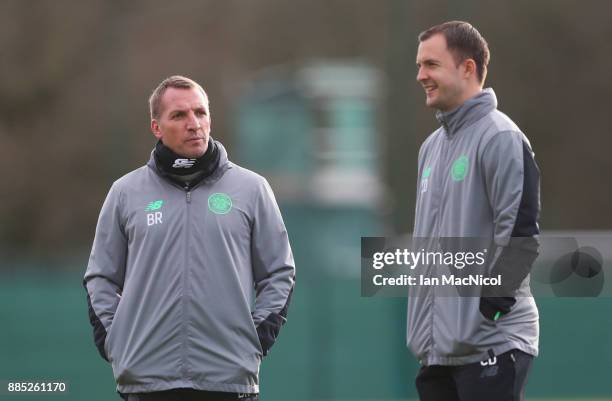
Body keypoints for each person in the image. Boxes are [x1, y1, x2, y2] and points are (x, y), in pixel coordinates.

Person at [84, 75, 296, 401]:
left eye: (200, 112)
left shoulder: (251, 189)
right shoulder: (125, 193)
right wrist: (117, 340)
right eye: (179, 115)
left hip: (228, 379)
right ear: (157, 127)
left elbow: (279, 272)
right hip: (146, 381)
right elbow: (101, 277)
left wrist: (253, 339)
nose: (194, 124)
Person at [409, 21, 541, 401]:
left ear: (467, 68)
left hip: (490, 346)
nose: (421, 76)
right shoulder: (430, 149)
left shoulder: (501, 137)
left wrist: (489, 313)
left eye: (431, 65)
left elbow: (521, 234)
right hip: (437, 352)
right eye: (419, 66)